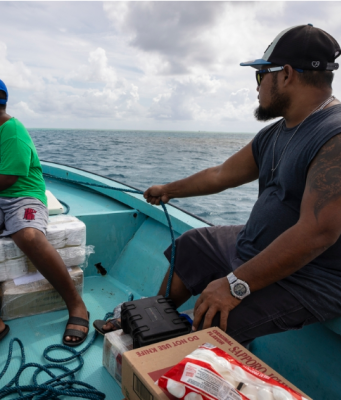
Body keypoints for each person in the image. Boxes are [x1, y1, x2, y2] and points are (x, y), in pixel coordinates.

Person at [98, 24, 341, 347]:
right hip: (250, 244)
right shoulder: (277, 132)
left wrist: (235, 284)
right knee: (191, 245)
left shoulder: (334, 134)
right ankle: (155, 320)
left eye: (259, 75)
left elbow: (319, 231)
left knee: (214, 317)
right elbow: (222, 174)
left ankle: (182, 351)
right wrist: (169, 189)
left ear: (285, 75)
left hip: (310, 277)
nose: (256, 87)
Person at [0, 75, 90, 366]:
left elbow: (10, 176)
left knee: (28, 236)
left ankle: (77, 305)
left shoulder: (13, 130)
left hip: (22, 195)